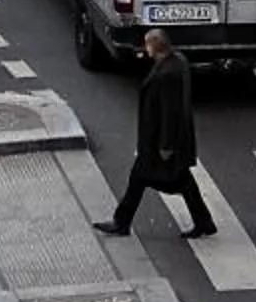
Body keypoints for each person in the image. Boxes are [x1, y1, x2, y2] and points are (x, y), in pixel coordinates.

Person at [93, 30, 216, 239]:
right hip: (171, 139)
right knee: (181, 180)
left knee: (142, 178)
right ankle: (204, 222)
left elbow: (169, 112)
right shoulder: (178, 61)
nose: (145, 48)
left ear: (155, 46)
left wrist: (165, 145)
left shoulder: (167, 74)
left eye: (147, 44)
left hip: (161, 140)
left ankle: (121, 222)